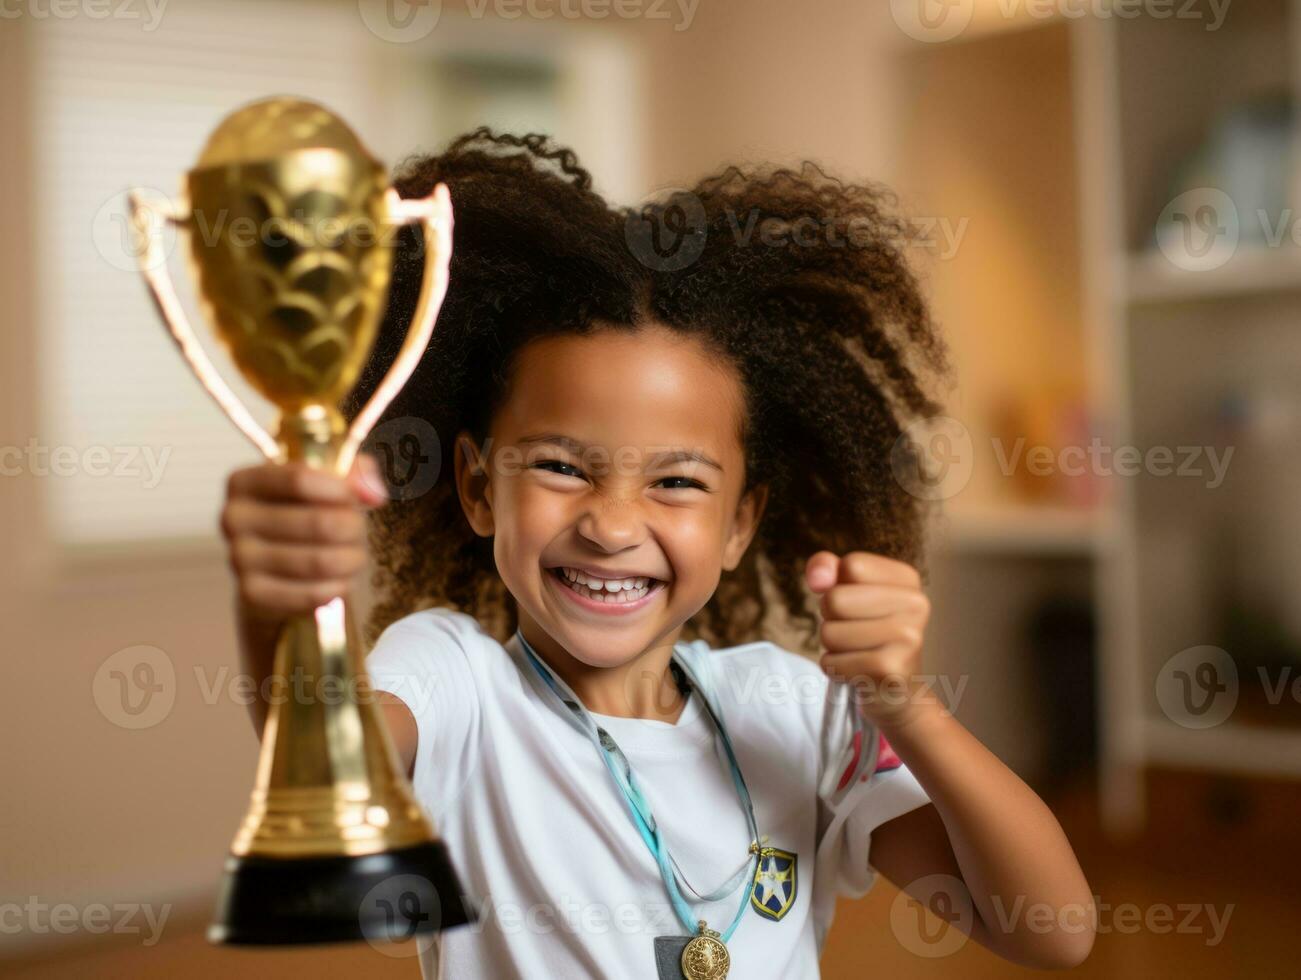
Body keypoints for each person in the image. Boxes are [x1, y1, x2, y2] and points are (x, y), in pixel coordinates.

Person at [220, 130, 1094, 978]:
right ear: (480, 488)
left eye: (675, 482)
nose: (610, 523)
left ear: (739, 522)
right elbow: (323, 764)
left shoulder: (795, 712)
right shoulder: (453, 681)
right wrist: (278, 605)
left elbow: (1052, 933)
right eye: (561, 467)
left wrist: (909, 709)